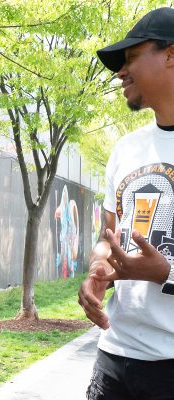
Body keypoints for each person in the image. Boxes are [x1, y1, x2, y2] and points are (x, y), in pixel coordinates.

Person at [78, 7, 174, 399]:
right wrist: (97, 268)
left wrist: (164, 273)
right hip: (114, 355)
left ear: (171, 55)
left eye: (131, 56)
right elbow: (109, 234)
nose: (119, 71)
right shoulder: (126, 149)